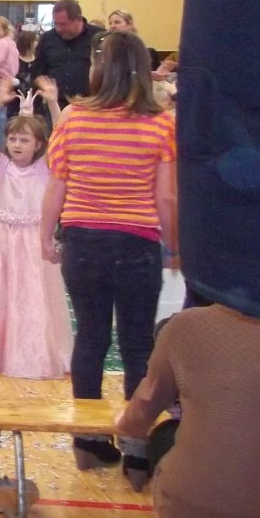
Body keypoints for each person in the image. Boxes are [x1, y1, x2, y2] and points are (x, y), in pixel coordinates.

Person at [41, 29, 177, 488]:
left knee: (91, 337)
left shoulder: (74, 119)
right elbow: (166, 198)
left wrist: (45, 237)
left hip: (83, 241)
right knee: (138, 346)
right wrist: (175, 248)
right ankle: (137, 452)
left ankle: (88, 440)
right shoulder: (161, 124)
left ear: (99, 69)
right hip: (137, 243)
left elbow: (56, 186)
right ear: (144, 70)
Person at [114, 304, 260, 518]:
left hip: (204, 517)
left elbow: (137, 419)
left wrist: (122, 422)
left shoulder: (187, 327)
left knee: (167, 437)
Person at [0, 78, 72, 379]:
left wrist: (53, 102)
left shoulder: (44, 167)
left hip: (34, 239)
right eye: (12, 139)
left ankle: (34, 353)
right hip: (4, 239)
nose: (17, 145)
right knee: (2, 293)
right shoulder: (1, 165)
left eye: (24, 140)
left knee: (34, 294)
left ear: (39, 145)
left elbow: (63, 131)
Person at [33, 0, 103, 107]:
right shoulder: (47, 38)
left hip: (90, 105)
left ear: (78, 19)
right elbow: (37, 73)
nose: (58, 29)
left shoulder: (99, 38)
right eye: (55, 24)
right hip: (55, 105)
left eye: (63, 24)